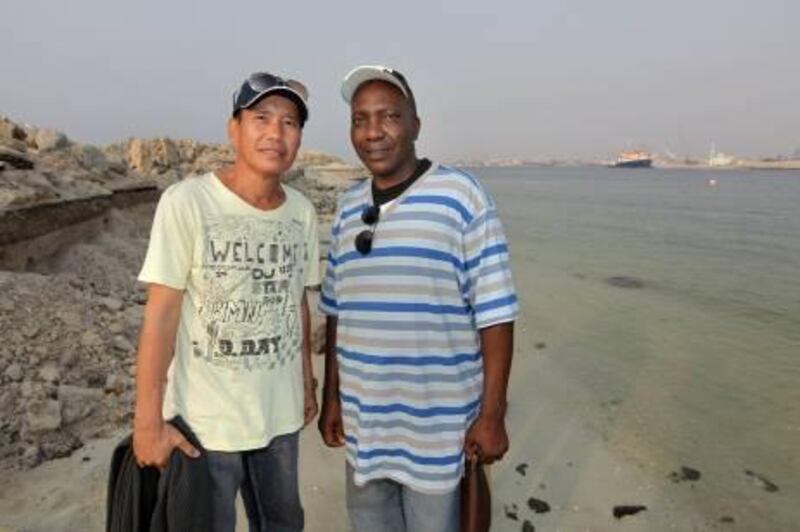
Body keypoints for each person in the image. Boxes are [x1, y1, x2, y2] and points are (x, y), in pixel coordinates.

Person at [318, 65, 518, 532]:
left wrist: (492, 416)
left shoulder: (460, 196)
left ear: (415, 125)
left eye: (388, 116)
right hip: (366, 429)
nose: (373, 132)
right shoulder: (349, 206)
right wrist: (333, 399)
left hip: (439, 433)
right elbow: (335, 311)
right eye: (360, 119)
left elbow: (497, 313)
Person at [132, 71, 320, 532]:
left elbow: (296, 300)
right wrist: (147, 423)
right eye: (261, 118)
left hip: (279, 420)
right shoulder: (188, 203)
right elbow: (161, 315)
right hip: (205, 425)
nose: (275, 132)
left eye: (290, 122)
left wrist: (307, 382)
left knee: (283, 525)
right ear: (234, 128)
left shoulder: (302, 212)